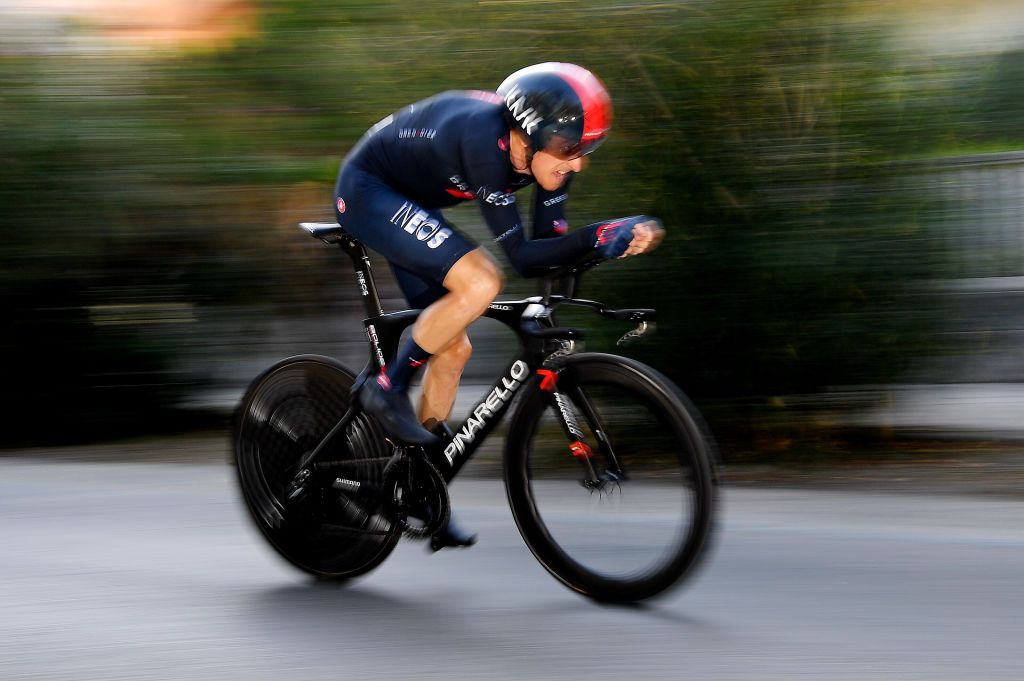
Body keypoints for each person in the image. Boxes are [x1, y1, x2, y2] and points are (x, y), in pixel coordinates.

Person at [333, 62, 664, 549]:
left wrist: (609, 240)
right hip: (368, 190)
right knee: (482, 280)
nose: (577, 164)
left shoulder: (544, 158)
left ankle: (419, 485)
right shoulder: (482, 141)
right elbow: (525, 259)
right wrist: (600, 235)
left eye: (586, 150)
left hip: (409, 203)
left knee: (454, 348)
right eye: (570, 148)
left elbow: (551, 246)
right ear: (529, 133)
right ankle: (388, 386)